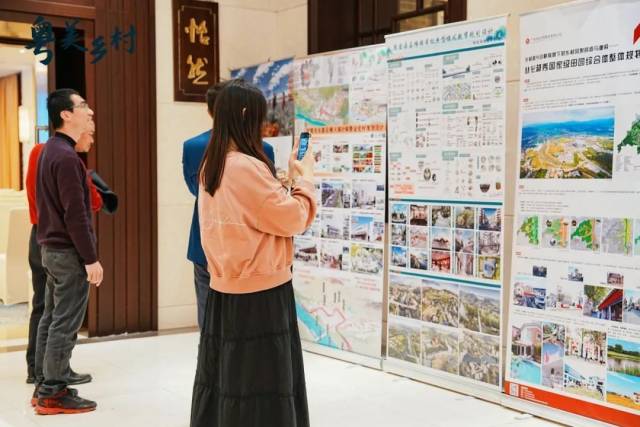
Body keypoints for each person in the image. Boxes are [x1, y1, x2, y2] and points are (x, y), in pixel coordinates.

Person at [190, 79, 316, 427]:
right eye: (260, 117)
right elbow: (292, 218)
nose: (263, 125)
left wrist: (285, 182)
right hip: (260, 294)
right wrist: (306, 180)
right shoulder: (245, 166)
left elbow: (254, 214)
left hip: (225, 291)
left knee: (230, 382)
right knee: (263, 384)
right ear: (246, 115)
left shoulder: (212, 165)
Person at [32, 88, 103, 415]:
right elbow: (76, 215)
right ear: (66, 114)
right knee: (64, 321)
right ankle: (53, 392)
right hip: (66, 252)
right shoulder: (66, 157)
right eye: (83, 106)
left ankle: (45, 383)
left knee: (51, 318)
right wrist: (91, 258)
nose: (90, 112)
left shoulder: (51, 150)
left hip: (50, 248)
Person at [182, 82, 275, 329]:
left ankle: (209, 354)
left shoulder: (193, 146)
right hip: (250, 247)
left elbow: (195, 190)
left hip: (205, 238)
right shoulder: (263, 149)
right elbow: (268, 202)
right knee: (246, 324)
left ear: (211, 110)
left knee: (208, 320)